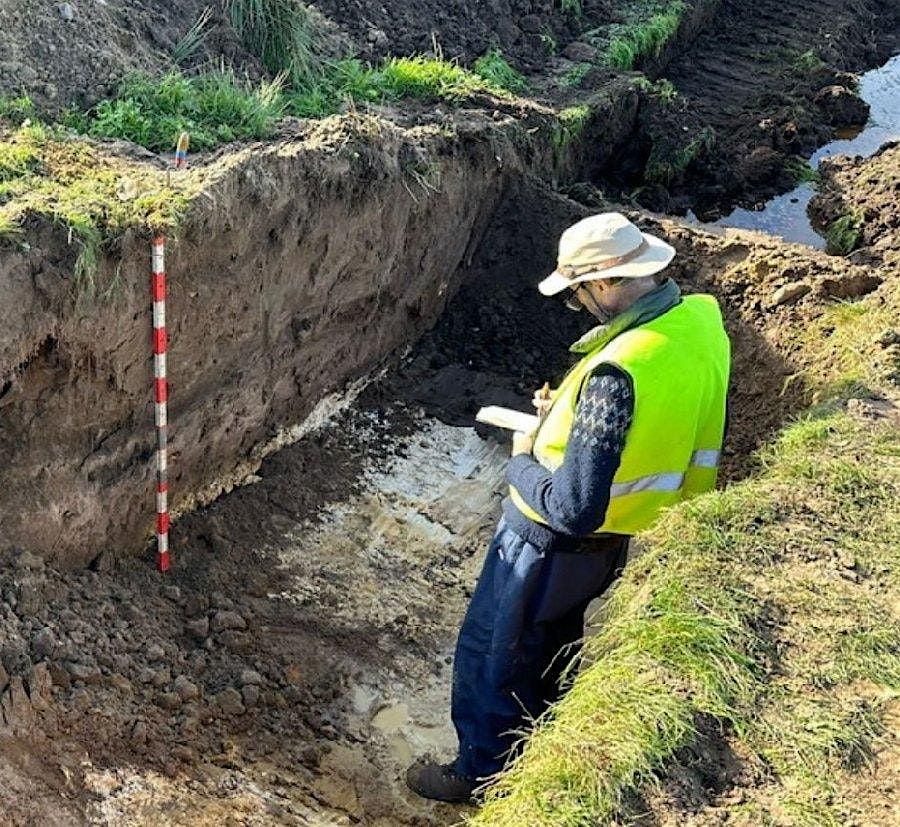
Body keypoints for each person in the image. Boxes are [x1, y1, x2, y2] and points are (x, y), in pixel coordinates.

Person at [406, 212, 731, 803]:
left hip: (547, 548)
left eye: (579, 292)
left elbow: (573, 506)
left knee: (495, 655)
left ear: (604, 282)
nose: (579, 304)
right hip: (612, 542)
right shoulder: (698, 323)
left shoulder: (617, 372)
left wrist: (520, 461)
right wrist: (567, 417)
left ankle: (478, 775)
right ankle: (535, 749)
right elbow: (652, 420)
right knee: (550, 649)